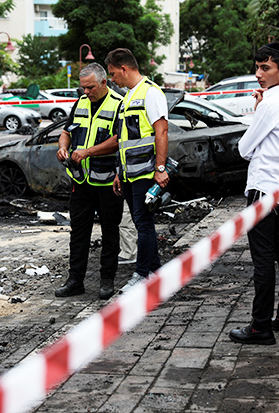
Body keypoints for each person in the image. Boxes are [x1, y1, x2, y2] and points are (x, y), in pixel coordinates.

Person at [228, 43, 279, 345]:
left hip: (263, 191)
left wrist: (258, 110)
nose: (258, 74)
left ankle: (261, 326)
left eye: (266, 68)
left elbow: (244, 149)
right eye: (257, 67)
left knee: (263, 260)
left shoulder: (270, 104)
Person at [54, 63, 125, 299]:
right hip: (81, 181)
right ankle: (75, 281)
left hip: (108, 182)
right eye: (83, 87)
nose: (86, 92)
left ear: (104, 82)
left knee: (109, 232)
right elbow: (67, 131)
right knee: (79, 232)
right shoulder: (81, 103)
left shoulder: (118, 104)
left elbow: (119, 140)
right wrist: (63, 148)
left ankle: (107, 280)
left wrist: (88, 152)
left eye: (90, 87)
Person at [105, 48, 169, 290]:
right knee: (142, 223)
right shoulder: (129, 96)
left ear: (124, 68)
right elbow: (125, 140)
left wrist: (160, 168)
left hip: (146, 171)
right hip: (131, 173)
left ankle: (141, 274)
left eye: (113, 73)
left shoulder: (150, 93)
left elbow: (161, 131)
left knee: (144, 224)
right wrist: (120, 173)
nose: (112, 79)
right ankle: (157, 274)